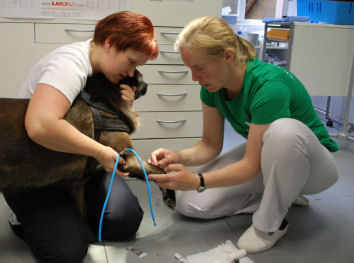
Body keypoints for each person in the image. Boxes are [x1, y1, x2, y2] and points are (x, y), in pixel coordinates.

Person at [148, 16, 339, 253]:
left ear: (227, 56)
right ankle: (281, 193)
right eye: (190, 69)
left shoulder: (268, 86)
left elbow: (250, 165)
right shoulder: (212, 87)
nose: (195, 78)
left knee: (283, 132)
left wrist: (198, 180)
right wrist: (177, 156)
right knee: (190, 204)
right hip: (274, 156)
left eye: (199, 68)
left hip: (315, 167)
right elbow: (210, 144)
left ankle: (269, 224)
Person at [3, 11, 158, 262]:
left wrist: (121, 105)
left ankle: (70, 210)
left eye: (137, 66)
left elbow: (98, 123)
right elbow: (40, 126)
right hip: (39, 172)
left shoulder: (104, 69)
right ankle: (25, 216)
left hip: (81, 166)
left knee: (125, 221)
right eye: (131, 62)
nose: (132, 71)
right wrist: (99, 151)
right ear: (109, 43)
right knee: (67, 252)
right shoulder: (69, 65)